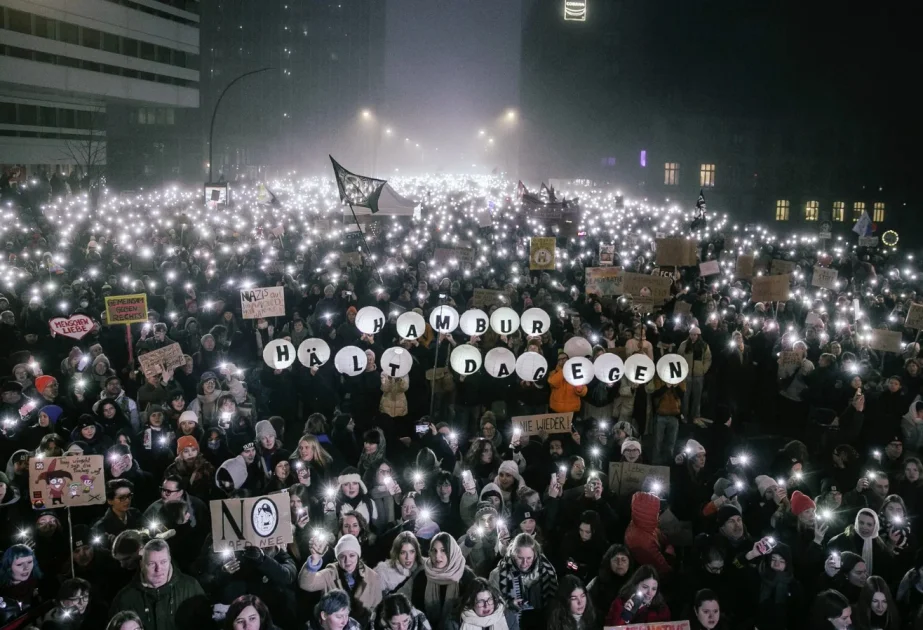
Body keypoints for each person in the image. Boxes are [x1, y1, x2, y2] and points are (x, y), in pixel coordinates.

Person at [110, 539, 210, 630]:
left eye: (163, 562)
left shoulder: (190, 588)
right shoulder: (125, 599)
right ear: (141, 564)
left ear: (169, 560)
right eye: (151, 564)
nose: (158, 569)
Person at [298, 533, 383, 627]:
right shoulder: (330, 573)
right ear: (337, 558)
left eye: (352, 555)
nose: (347, 561)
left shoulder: (372, 577)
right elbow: (305, 584)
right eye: (342, 556)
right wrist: (315, 560)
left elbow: (376, 606)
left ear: (358, 556)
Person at [488, 533, 558, 630]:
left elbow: (555, 605)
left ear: (535, 554)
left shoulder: (547, 572)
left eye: (529, 558)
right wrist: (508, 604)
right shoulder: (497, 575)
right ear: (513, 554)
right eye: (520, 558)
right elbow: (491, 606)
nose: (525, 563)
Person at [411, 532, 475, 630]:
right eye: (434, 550)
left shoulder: (466, 577)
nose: (438, 556)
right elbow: (417, 613)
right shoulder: (422, 577)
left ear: (452, 551)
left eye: (443, 550)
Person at [604, 565, 671, 627]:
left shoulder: (662, 608)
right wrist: (625, 616)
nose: (649, 593)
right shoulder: (619, 603)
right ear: (635, 586)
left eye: (654, 589)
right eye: (645, 587)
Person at [375, 531, 424, 597]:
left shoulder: (422, 567)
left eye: (412, 552)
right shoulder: (383, 571)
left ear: (417, 552)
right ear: (396, 553)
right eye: (403, 552)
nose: (408, 557)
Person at [0, 543, 42, 610]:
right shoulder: (3, 587)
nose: (26, 568)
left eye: (29, 562)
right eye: (19, 564)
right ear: (8, 566)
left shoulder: (35, 581)